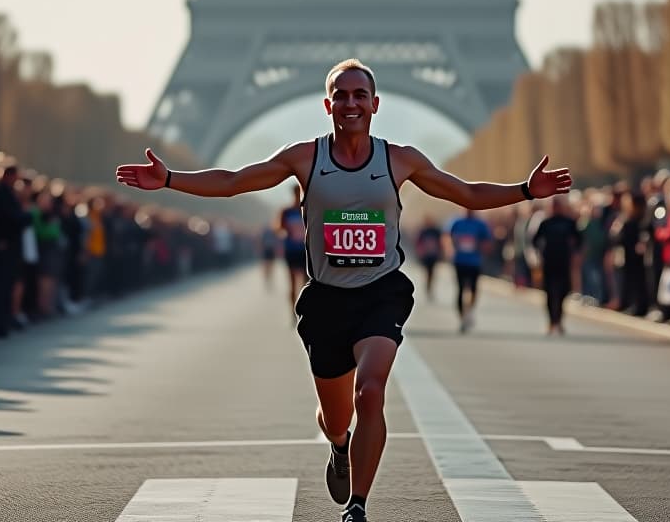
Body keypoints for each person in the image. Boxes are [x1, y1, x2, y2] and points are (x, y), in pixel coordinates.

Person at [116, 59, 572, 522]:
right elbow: (234, 182)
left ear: (375, 104)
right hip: (326, 300)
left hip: (381, 292)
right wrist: (170, 179)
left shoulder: (399, 159)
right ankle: (339, 444)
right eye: (342, 95)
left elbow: (468, 195)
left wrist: (526, 190)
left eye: (360, 95)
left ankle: (358, 504)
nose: (351, 103)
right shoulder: (304, 158)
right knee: (336, 419)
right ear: (327, 104)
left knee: (370, 392)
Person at [532, 196, 582, 335]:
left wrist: (576, 254)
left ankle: (559, 320)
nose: (555, 207)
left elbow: (579, 240)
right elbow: (535, 240)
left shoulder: (569, 222)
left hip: (564, 261)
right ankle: (551, 322)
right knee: (549, 293)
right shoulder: (545, 223)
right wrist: (538, 256)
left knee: (563, 292)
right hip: (548, 261)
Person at [447, 209, 491, 333]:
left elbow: (487, 240)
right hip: (459, 260)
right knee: (461, 288)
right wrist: (450, 248)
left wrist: (482, 249)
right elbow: (447, 236)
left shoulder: (480, 224)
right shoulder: (456, 222)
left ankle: (470, 310)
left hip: (474, 261)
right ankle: (462, 318)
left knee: (473, 288)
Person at [279, 185, 308, 325]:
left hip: (304, 251)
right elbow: (279, 228)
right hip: (293, 250)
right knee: (293, 283)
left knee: (305, 283)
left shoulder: (307, 208)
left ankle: (303, 311)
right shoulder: (287, 211)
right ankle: (293, 311)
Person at [414, 216, 444, 301]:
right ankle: (427, 287)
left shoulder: (436, 231)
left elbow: (440, 242)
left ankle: (430, 288)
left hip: (433, 255)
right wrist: (420, 252)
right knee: (427, 272)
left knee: (432, 272)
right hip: (426, 255)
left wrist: (440, 252)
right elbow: (418, 242)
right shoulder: (424, 231)